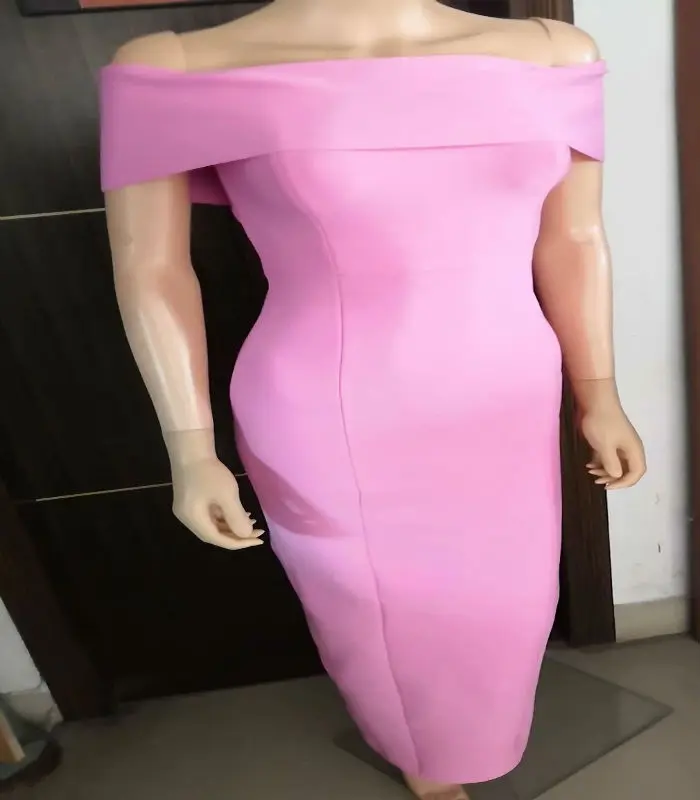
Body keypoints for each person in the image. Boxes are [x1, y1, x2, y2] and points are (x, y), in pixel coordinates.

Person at [100, 4, 646, 798]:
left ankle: (466, 741)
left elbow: (574, 239)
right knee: (373, 615)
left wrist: (600, 393)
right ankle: (422, 758)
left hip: (505, 400)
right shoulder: (175, 68)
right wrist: (190, 447)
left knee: (510, 603)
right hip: (334, 407)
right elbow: (151, 270)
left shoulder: (555, 52)